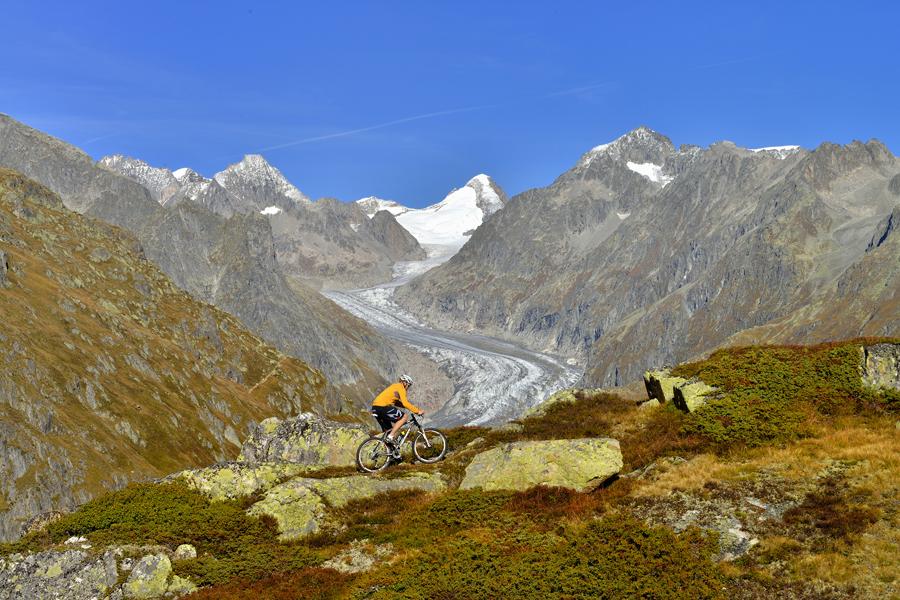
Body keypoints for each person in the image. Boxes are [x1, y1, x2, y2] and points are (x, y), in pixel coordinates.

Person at [371, 375, 423, 457]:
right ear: (405, 383)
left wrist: (407, 407)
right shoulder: (400, 387)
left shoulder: (394, 387)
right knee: (404, 417)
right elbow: (405, 403)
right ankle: (391, 437)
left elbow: (396, 402)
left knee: (389, 431)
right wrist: (417, 411)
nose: (408, 387)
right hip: (383, 407)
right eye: (408, 385)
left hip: (375, 408)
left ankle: (390, 455)